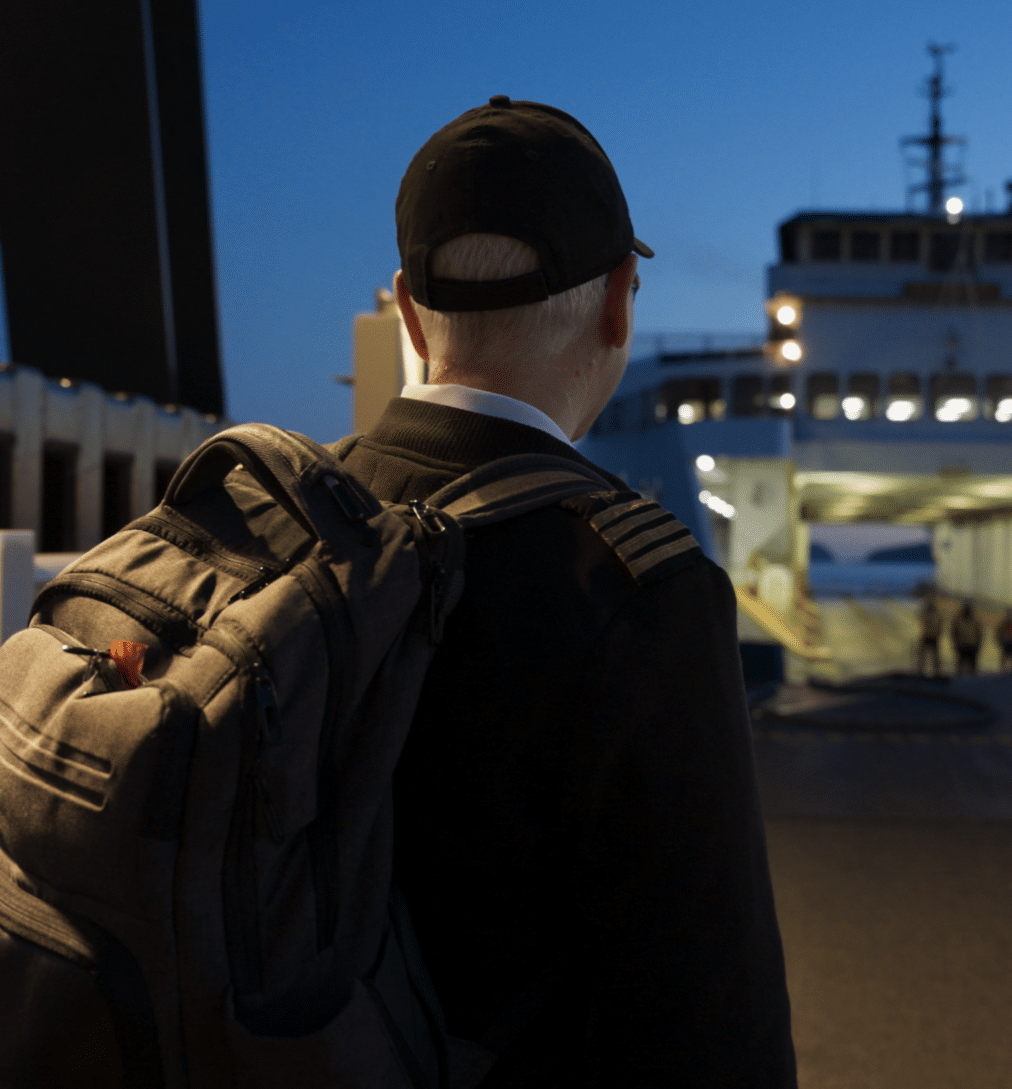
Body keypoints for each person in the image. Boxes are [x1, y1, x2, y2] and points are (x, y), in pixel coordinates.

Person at [337, 96, 796, 1086]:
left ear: (410, 316)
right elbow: (714, 1010)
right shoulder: (637, 589)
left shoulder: (286, 518)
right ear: (620, 302)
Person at [951, 600, 984, 676]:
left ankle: (972, 680)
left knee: (973, 665)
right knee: (960, 664)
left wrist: (978, 644)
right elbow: (954, 633)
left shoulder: (975, 621)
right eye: (966, 608)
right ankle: (959, 679)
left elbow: (980, 634)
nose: (968, 610)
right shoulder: (958, 620)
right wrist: (956, 643)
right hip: (962, 645)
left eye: (969, 609)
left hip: (972, 646)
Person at [916, 594, 945, 676]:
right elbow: (940, 625)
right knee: (931, 656)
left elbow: (923, 622)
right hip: (932, 636)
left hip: (929, 636)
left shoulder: (930, 613)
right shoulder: (936, 613)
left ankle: (924, 672)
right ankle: (934, 672)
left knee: (927, 655)